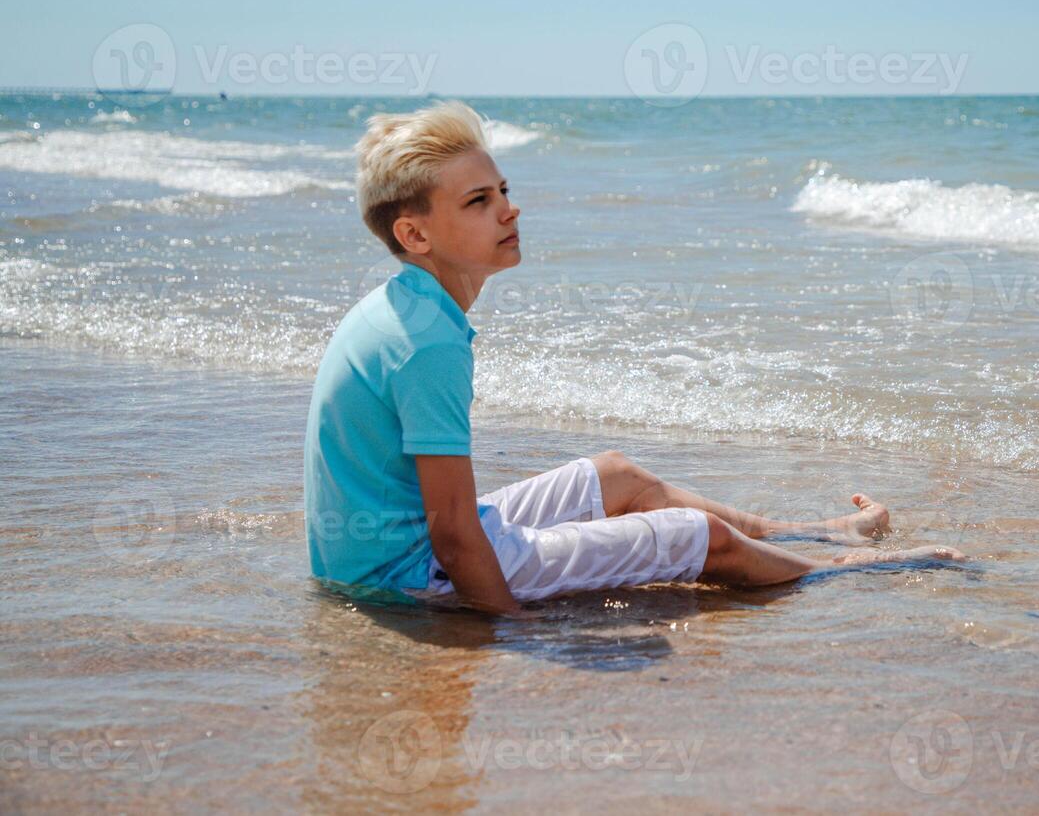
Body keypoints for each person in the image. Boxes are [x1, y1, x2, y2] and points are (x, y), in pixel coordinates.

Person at [304, 100, 966, 616]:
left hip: (397, 552)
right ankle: (851, 570)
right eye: (480, 201)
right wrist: (510, 636)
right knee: (696, 537)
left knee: (619, 477)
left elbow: (445, 517)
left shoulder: (410, 307)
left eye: (502, 189)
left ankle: (817, 533)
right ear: (414, 233)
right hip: (408, 577)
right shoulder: (428, 342)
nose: (510, 209)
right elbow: (452, 538)